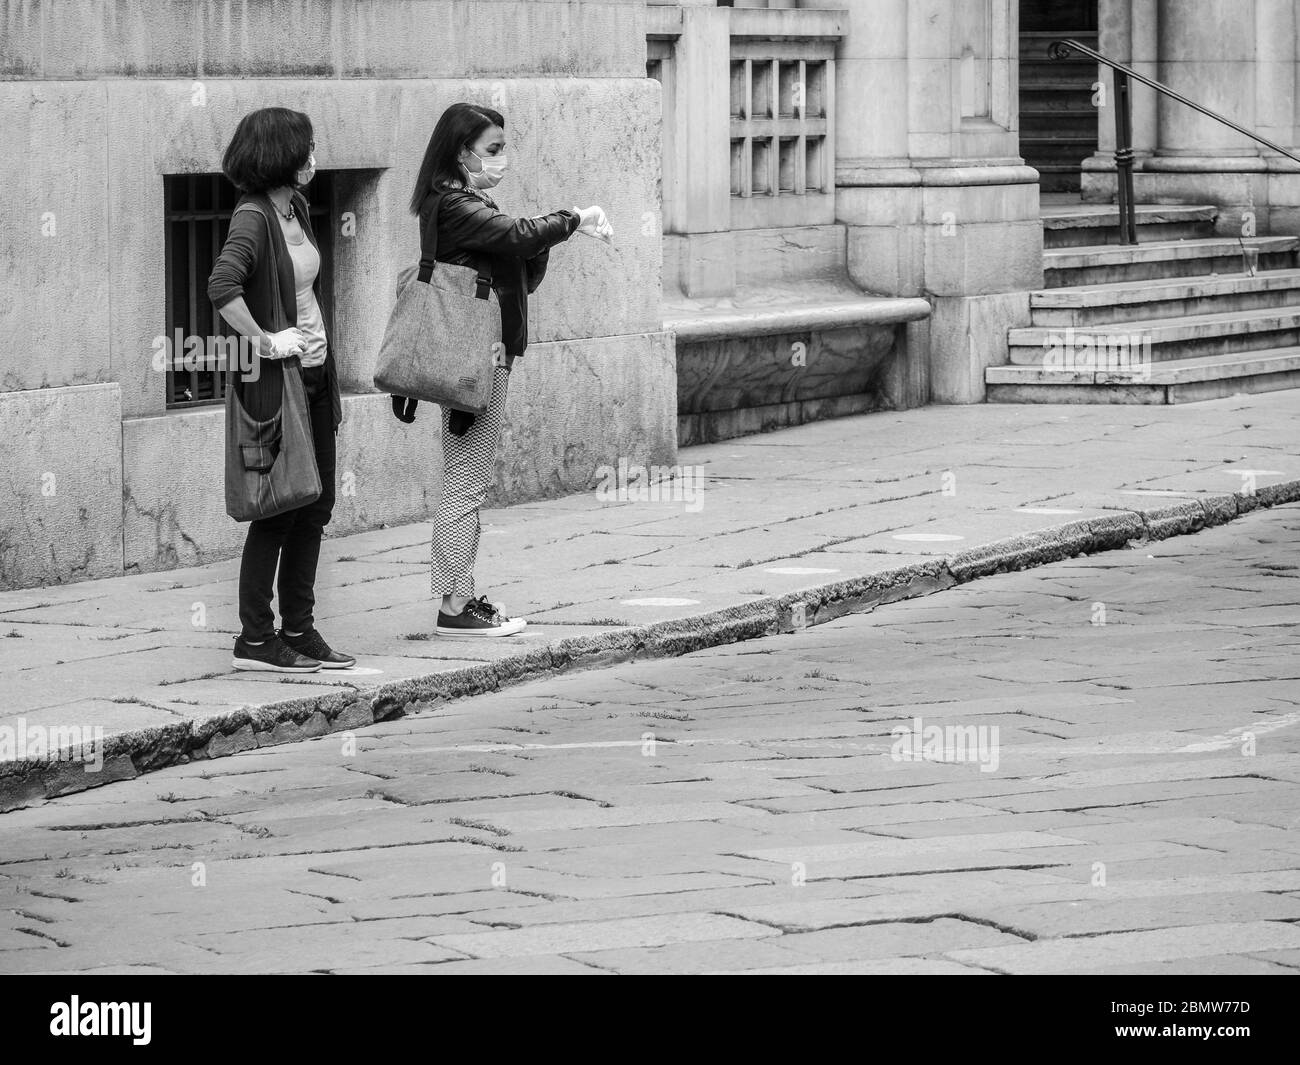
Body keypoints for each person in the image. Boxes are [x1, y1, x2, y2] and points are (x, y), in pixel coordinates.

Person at [407, 103, 613, 637]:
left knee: (467, 476)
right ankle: (454, 605)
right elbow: (519, 235)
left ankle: (461, 596)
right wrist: (576, 217)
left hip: (484, 353)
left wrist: (549, 234)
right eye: (493, 150)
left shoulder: (464, 202)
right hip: (477, 358)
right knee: (466, 480)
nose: (503, 159)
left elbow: (517, 255)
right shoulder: (453, 204)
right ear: (461, 152)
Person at [208, 107, 356, 672]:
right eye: (307, 149)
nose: (314, 158)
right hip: (278, 382)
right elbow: (222, 285)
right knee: (278, 509)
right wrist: (268, 342)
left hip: (316, 376)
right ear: (280, 156)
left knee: (316, 505)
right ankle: (254, 638)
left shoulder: (293, 207)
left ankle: (299, 628)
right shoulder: (252, 217)